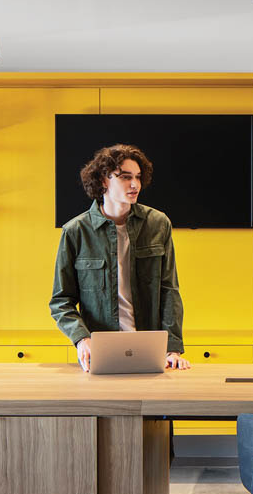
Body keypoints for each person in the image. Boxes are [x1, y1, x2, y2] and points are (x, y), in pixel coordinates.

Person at [50, 143, 189, 372]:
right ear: (104, 180)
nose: (135, 184)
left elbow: (169, 290)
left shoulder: (158, 224)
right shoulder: (76, 231)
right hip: (100, 354)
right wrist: (82, 339)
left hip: (150, 350)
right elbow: (61, 301)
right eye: (125, 177)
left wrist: (172, 348)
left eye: (137, 177)